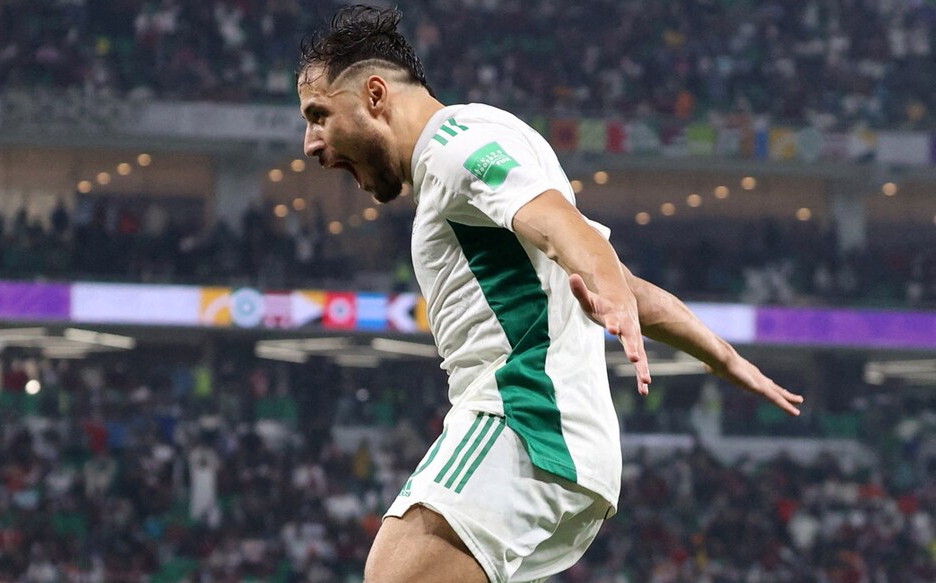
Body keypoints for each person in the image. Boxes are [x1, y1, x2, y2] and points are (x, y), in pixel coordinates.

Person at [296, 6, 805, 583]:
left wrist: (610, 297)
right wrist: (724, 356)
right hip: (561, 449)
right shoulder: (499, 134)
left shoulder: (455, 150)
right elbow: (611, 269)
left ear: (375, 94)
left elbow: (565, 231)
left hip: (523, 422)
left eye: (318, 115)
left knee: (392, 574)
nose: (311, 143)